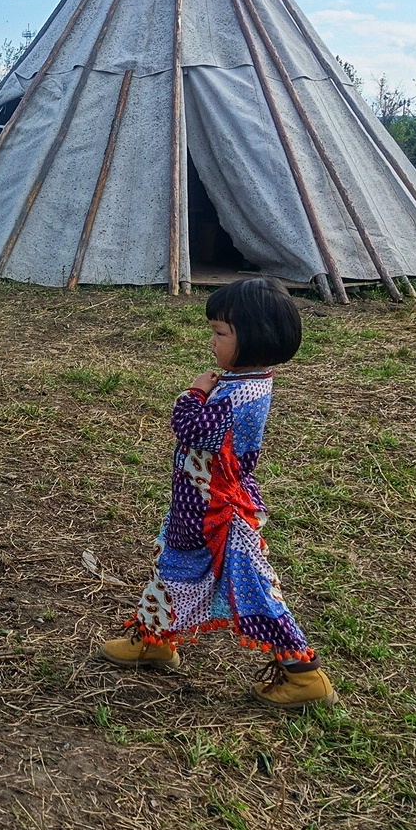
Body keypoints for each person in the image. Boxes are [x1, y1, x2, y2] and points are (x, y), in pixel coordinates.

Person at [99, 277, 336, 710]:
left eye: (220, 333)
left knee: (254, 589)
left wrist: (193, 393)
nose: (212, 341)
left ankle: (304, 674)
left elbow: (191, 430)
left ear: (255, 337)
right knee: (172, 570)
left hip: (217, 514)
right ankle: (154, 640)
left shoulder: (238, 393)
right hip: (198, 503)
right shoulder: (243, 381)